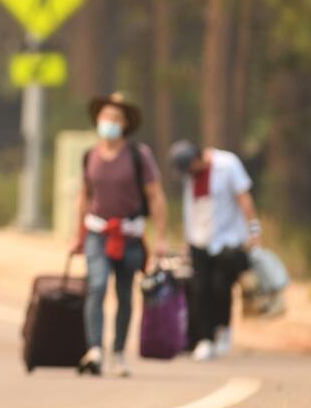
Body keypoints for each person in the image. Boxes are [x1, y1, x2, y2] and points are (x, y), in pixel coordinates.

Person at [70, 92, 169, 377]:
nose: (109, 122)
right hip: (97, 233)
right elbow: (84, 196)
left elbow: (155, 197)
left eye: (116, 118)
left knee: (125, 295)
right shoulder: (90, 155)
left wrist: (160, 237)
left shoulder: (139, 156)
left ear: (125, 124)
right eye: (105, 116)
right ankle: (94, 350)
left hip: (130, 235)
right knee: (97, 286)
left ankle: (118, 352)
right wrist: (78, 234)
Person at [167, 140, 260, 361]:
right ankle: (205, 339)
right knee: (200, 290)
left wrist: (254, 231)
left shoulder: (227, 164)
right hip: (199, 240)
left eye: (191, 167)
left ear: (198, 158)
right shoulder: (191, 176)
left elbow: (244, 198)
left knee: (221, 287)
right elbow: (191, 209)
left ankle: (223, 329)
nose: (190, 172)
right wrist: (187, 240)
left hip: (227, 240)